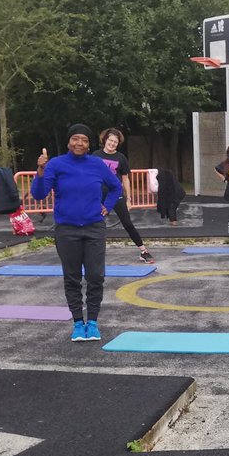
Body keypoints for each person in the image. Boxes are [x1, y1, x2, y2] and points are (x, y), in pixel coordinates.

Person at [32, 124, 123, 342]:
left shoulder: (97, 164)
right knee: (71, 277)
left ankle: (92, 322)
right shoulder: (56, 164)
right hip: (66, 229)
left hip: (94, 228)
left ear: (89, 144)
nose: (79, 143)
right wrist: (41, 171)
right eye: (75, 139)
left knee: (95, 276)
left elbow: (116, 187)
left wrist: (107, 207)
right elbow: (39, 194)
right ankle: (77, 323)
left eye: (84, 140)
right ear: (68, 141)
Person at [95, 127, 154, 264]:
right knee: (96, 224)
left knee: (127, 223)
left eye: (115, 142)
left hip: (116, 194)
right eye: (110, 140)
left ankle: (144, 251)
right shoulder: (95, 156)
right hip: (99, 195)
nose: (112, 143)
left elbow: (125, 178)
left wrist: (129, 198)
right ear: (105, 140)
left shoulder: (121, 158)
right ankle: (92, 254)